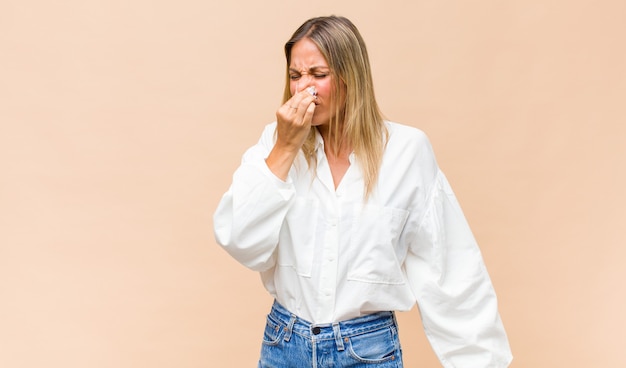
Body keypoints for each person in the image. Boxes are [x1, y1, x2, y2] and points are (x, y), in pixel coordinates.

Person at [213, 15, 512, 368]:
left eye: (317, 75)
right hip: (285, 345)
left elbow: (450, 269)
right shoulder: (275, 143)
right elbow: (239, 239)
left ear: (350, 77)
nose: (302, 89)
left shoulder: (406, 151)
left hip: (367, 352)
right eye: (295, 76)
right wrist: (284, 148)